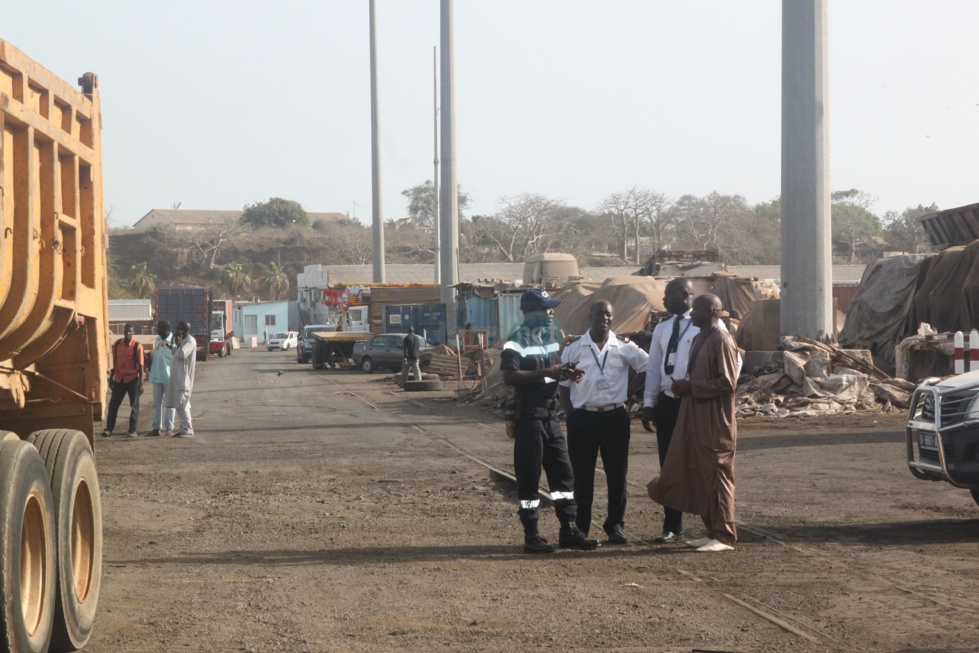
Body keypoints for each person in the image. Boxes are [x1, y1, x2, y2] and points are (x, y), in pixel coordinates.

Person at [500, 288, 598, 554]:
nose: (552, 312)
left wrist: (565, 373)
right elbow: (510, 377)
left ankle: (569, 530)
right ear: (530, 312)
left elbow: (547, 373)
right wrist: (548, 371)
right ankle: (531, 535)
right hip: (529, 417)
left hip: (550, 416)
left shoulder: (550, 339)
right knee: (529, 476)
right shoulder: (515, 340)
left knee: (563, 476)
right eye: (546, 309)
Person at [648, 294, 740, 553]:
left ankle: (724, 535)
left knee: (717, 473)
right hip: (696, 414)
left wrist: (691, 386)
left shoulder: (722, 340)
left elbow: (727, 382)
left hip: (715, 420)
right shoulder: (701, 338)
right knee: (701, 472)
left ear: (711, 311)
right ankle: (711, 530)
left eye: (697, 309)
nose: (692, 313)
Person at [558, 300, 648, 545]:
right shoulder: (574, 348)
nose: (604, 319)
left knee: (617, 475)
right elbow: (563, 385)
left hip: (614, 417)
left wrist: (629, 393)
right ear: (591, 316)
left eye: (608, 315)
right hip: (583, 418)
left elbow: (647, 367)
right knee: (582, 476)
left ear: (613, 318)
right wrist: (571, 414)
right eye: (600, 314)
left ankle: (615, 527)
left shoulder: (624, 347)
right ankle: (581, 527)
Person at [102, 323, 144, 438]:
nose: (127, 334)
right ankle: (109, 429)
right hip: (119, 379)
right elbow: (114, 363)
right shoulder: (117, 344)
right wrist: (111, 378)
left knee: (134, 406)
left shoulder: (137, 346)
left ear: (133, 332)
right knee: (113, 405)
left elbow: (140, 366)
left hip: (132, 379)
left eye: (130, 332)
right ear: (123, 332)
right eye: (126, 331)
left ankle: (132, 430)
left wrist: (141, 383)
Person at [167, 321, 197, 438]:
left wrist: (178, 344)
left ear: (184, 331)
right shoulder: (183, 342)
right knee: (180, 404)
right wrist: (172, 345)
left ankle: (188, 429)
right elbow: (176, 351)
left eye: (179, 330)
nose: (176, 332)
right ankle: (183, 428)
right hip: (178, 379)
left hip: (184, 379)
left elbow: (182, 354)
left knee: (182, 404)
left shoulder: (190, 341)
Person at [146, 320, 176, 437]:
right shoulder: (158, 339)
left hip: (168, 378)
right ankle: (156, 428)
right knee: (156, 404)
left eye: (159, 328)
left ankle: (169, 428)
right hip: (157, 376)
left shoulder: (173, 341)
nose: (157, 330)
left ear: (165, 330)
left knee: (170, 404)